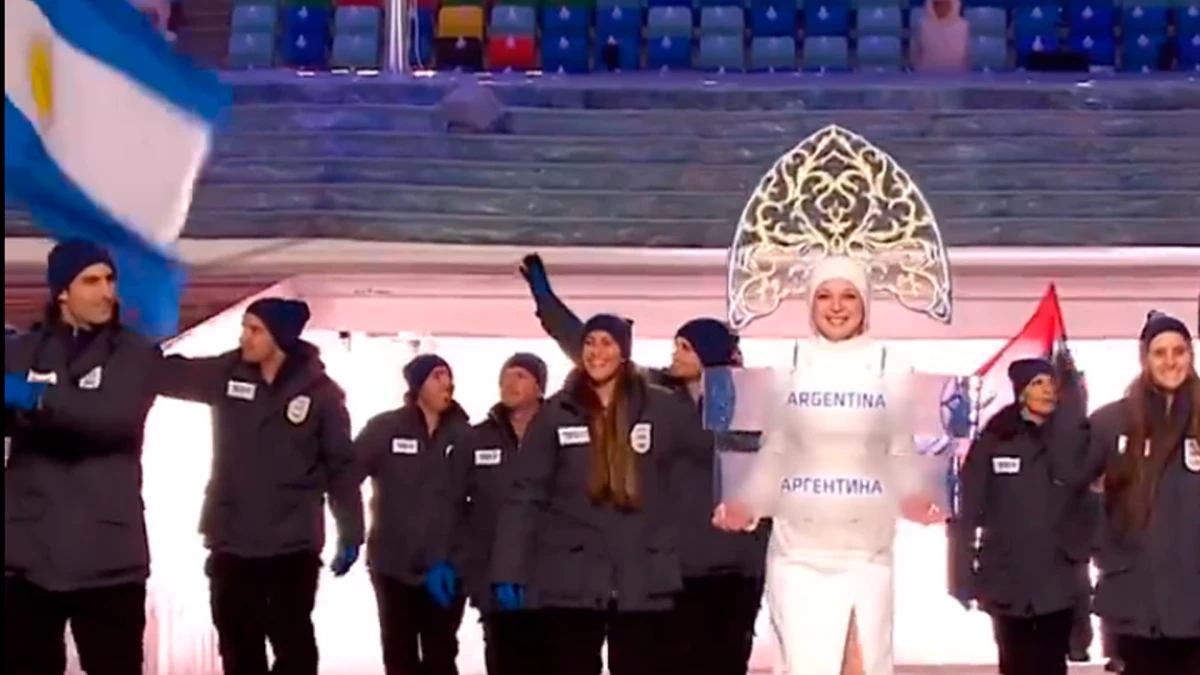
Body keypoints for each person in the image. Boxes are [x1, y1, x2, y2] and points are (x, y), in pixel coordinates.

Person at [518, 253, 769, 675]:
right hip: (678, 566)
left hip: (737, 565)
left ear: (709, 356)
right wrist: (546, 301)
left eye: (685, 348)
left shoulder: (750, 404)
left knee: (726, 664)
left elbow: (771, 473)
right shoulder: (653, 394)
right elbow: (590, 347)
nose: (674, 353)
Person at [712, 255, 942, 675]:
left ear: (865, 304)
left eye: (848, 296)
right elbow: (775, 452)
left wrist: (917, 498)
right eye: (824, 296)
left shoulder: (893, 367)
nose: (837, 307)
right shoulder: (789, 366)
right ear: (810, 304)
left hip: (867, 554)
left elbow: (900, 451)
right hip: (799, 553)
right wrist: (746, 505)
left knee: (862, 663)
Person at [155, 297, 365, 675]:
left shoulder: (321, 395)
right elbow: (169, 376)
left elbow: (341, 468)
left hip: (292, 545)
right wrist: (136, 347)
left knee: (292, 643)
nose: (245, 338)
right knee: (238, 642)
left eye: (255, 331)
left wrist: (351, 530)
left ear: (280, 338)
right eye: (244, 328)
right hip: (232, 541)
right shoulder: (227, 373)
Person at [490, 313, 706, 675]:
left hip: (642, 571)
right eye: (590, 342)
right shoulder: (557, 412)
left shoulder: (663, 408)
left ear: (624, 350)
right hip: (571, 573)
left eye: (607, 342)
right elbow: (525, 493)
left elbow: (702, 466)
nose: (596, 352)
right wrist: (508, 567)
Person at [4, 240, 161, 675]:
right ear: (61, 292)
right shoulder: (22, 351)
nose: (106, 291)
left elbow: (112, 419)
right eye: (91, 281)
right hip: (28, 557)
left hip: (108, 560)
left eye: (110, 280)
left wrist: (34, 398)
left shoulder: (135, 354)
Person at [953, 358, 1091, 675]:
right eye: (1037, 383)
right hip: (1007, 581)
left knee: (1052, 665)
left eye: (1050, 382)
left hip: (1057, 583)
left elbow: (1089, 502)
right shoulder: (994, 440)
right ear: (1021, 392)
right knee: (1015, 664)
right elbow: (968, 512)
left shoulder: (1071, 439)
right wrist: (962, 576)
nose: (1047, 389)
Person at [1081, 312, 1200, 675]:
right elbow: (1074, 496)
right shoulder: (1110, 423)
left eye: (1179, 351)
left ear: (1190, 356)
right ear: (1144, 359)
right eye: (1159, 353)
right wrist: (1107, 551)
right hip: (1135, 601)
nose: (1170, 362)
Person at [352, 353, 472, 675]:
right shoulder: (385, 429)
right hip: (393, 568)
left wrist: (461, 560)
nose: (447, 383)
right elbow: (346, 475)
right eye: (437, 376)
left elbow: (481, 504)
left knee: (440, 655)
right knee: (399, 654)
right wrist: (351, 533)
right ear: (417, 385)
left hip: (445, 571)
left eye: (448, 376)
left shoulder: (466, 437)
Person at [439, 353, 549, 675]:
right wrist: (451, 558)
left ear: (540, 388)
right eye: (505, 376)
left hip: (552, 580)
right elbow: (452, 503)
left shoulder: (561, 434)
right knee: (504, 660)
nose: (508, 383)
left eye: (520, 376)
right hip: (494, 578)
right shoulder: (475, 440)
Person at [913, 0, 970, 73]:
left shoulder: (964, 26)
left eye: (945, 4)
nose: (941, 8)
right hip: (926, 77)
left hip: (956, 77)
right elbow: (917, 55)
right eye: (937, 4)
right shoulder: (922, 26)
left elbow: (967, 58)